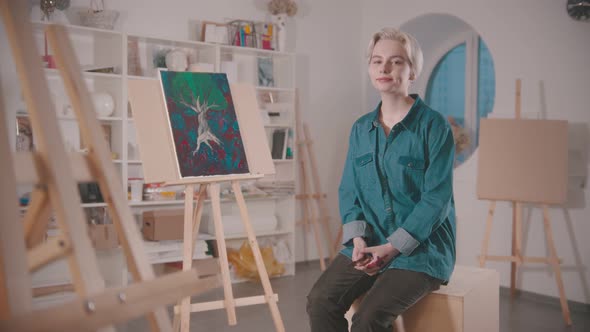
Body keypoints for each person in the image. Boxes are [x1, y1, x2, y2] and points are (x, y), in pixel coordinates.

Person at [307, 27, 457, 332]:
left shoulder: (434, 126)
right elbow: (349, 190)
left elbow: (436, 200)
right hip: (369, 243)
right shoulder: (360, 129)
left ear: (412, 70)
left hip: (421, 252)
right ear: (369, 69)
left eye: (396, 61)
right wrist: (359, 240)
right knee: (319, 301)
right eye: (377, 61)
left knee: (368, 319)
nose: (384, 68)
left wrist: (392, 247)